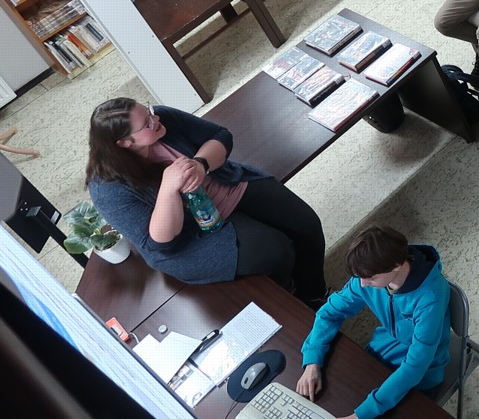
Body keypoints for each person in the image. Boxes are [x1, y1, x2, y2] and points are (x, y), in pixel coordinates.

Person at [86, 100, 326, 306]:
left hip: (225, 185)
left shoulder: (163, 118)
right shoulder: (107, 189)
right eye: (146, 124)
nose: (155, 118)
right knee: (276, 252)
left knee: (306, 224)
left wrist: (201, 164)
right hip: (190, 236)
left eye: (149, 111)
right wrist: (169, 188)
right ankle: (290, 301)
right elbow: (158, 243)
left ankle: (314, 296)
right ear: (125, 143)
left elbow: (220, 135)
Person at [297, 226, 449, 419]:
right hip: (381, 351)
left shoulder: (430, 298)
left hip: (423, 374)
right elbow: (329, 313)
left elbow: (415, 367)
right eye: (359, 277)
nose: (362, 284)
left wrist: (361, 415)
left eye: (370, 278)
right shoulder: (369, 274)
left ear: (396, 266)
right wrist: (312, 361)